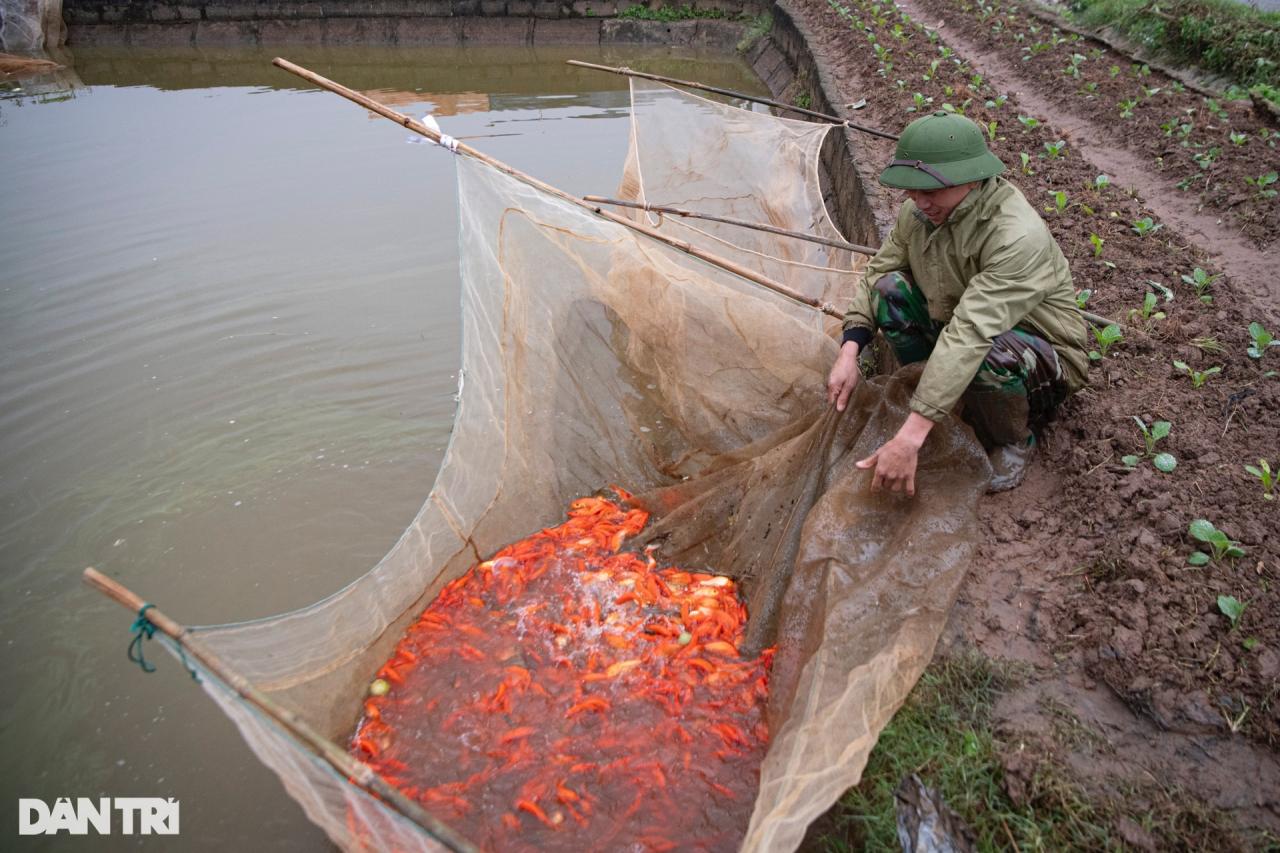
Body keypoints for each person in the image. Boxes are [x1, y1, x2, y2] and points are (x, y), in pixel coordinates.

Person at [827, 110, 1089, 494]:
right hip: (958, 328)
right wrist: (850, 351)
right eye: (911, 190)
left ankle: (1014, 440)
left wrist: (910, 437)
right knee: (890, 290)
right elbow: (875, 274)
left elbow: (972, 331)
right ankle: (939, 401)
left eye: (929, 190)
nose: (918, 201)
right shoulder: (917, 214)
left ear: (970, 179)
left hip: (1036, 357)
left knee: (986, 351)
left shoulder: (1014, 236)